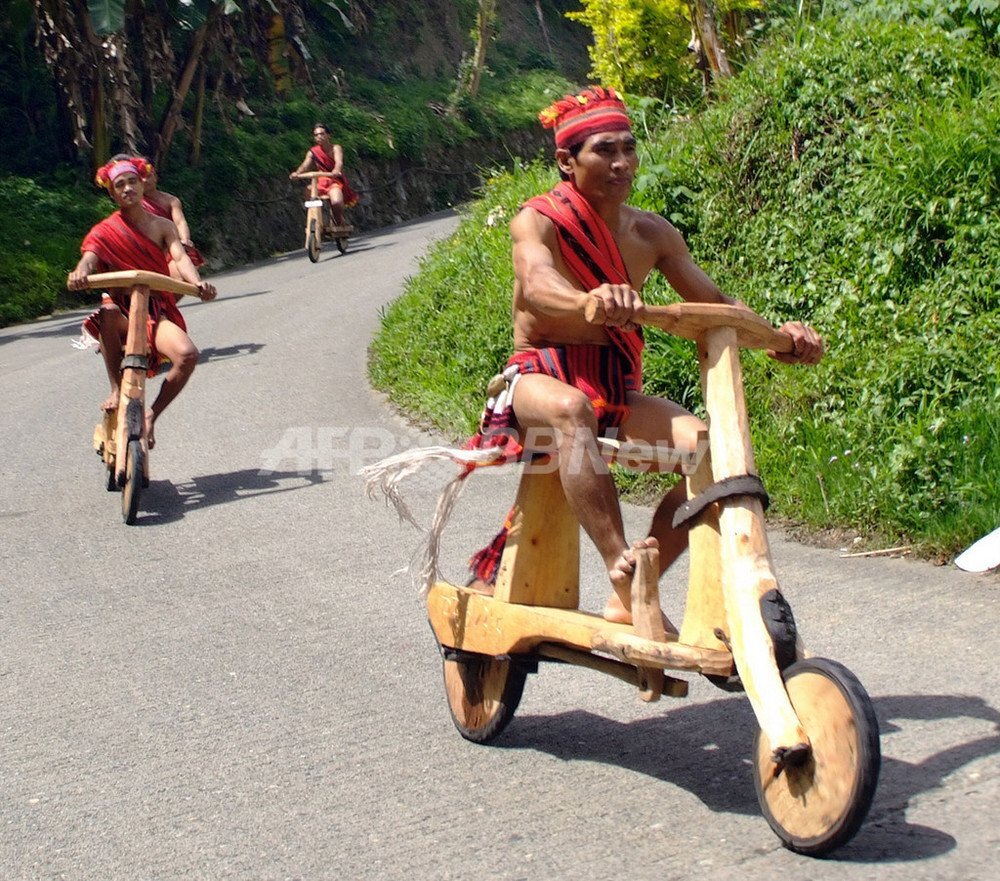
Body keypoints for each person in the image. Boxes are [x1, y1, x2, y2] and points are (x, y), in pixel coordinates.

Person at [363, 87, 822, 626]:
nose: (622, 162)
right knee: (571, 409)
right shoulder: (538, 221)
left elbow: (716, 308)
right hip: (539, 375)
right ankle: (620, 565)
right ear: (566, 160)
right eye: (605, 150)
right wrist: (587, 300)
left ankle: (636, 582)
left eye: (628, 148)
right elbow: (536, 283)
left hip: (615, 386)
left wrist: (781, 338)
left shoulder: (652, 233)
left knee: (710, 449)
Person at [68, 157, 217, 449]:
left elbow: (180, 257)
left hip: (155, 310)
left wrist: (197, 283)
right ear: (112, 193)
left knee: (187, 356)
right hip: (121, 311)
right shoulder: (104, 230)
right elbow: (89, 257)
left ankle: (151, 415)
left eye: (132, 182)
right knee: (108, 311)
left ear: (142, 183)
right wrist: (80, 273)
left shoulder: (163, 226)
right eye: (119, 185)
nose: (127, 189)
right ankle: (114, 387)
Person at [133, 156, 206, 274]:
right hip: (148, 249)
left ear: (155, 177)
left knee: (185, 259)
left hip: (170, 244)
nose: (145, 180)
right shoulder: (134, 205)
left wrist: (185, 239)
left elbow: (180, 222)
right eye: (141, 178)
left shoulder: (171, 201)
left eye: (149, 176)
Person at [289, 123, 359, 232]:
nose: (319, 137)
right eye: (316, 135)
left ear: (328, 135)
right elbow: (304, 165)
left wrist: (336, 170)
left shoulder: (336, 148)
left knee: (336, 202)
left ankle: (338, 220)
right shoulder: (313, 152)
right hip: (320, 181)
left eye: (322, 134)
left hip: (334, 180)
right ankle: (315, 218)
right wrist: (296, 173)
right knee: (308, 191)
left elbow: (339, 162)